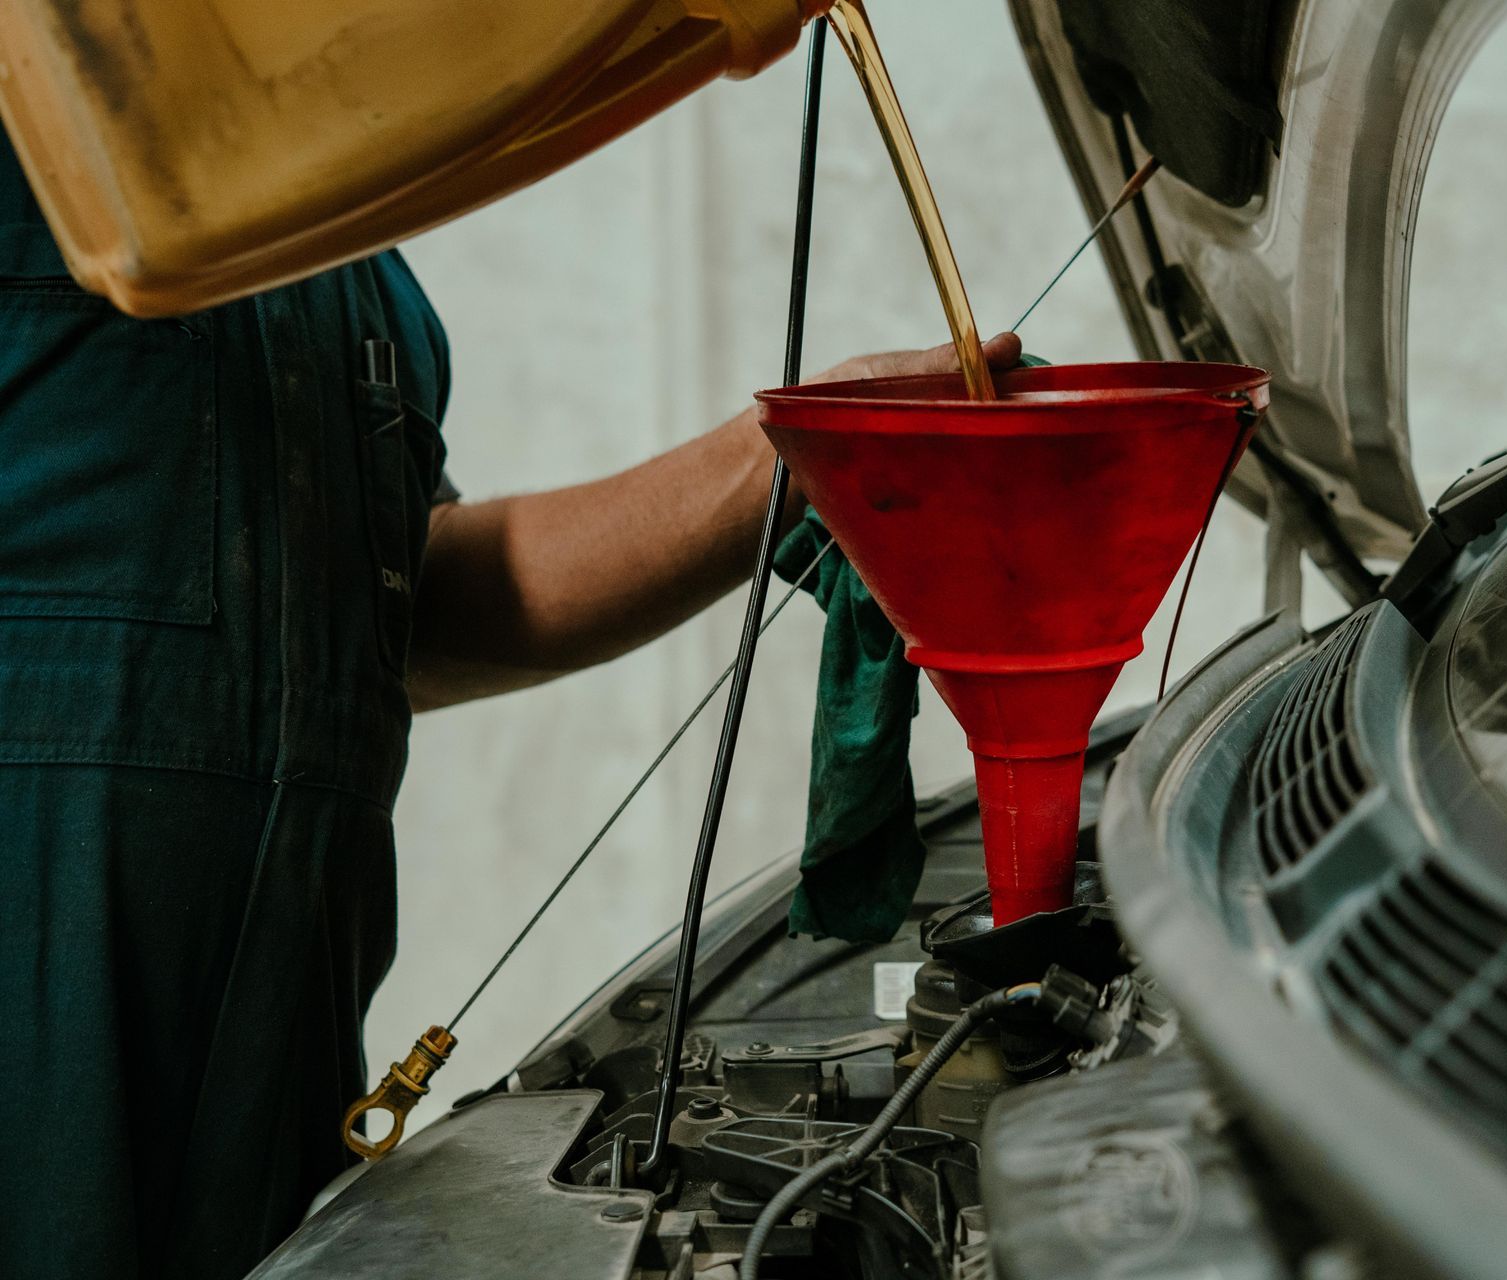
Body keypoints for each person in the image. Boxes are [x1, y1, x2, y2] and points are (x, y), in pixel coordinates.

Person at [0, 134, 1023, 1279]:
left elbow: (406, 609)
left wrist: (791, 454)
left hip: (262, 1118)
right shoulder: (28, 131)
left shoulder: (343, 262)